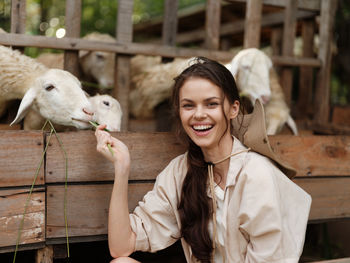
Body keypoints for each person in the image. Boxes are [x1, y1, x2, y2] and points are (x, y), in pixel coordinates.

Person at [94, 57, 312, 263]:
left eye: (211, 104)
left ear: (233, 109)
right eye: (188, 105)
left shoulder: (256, 174)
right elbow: (121, 246)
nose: (198, 114)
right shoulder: (180, 171)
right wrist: (121, 168)